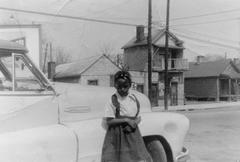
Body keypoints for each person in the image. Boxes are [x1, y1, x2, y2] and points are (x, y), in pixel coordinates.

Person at [101, 70, 152, 162]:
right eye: (119, 87)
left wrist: (135, 122)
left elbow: (138, 116)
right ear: (115, 86)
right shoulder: (113, 100)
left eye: (125, 87)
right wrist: (126, 120)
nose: (122, 89)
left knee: (135, 158)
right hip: (117, 134)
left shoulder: (133, 99)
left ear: (129, 85)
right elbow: (109, 121)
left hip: (132, 133)